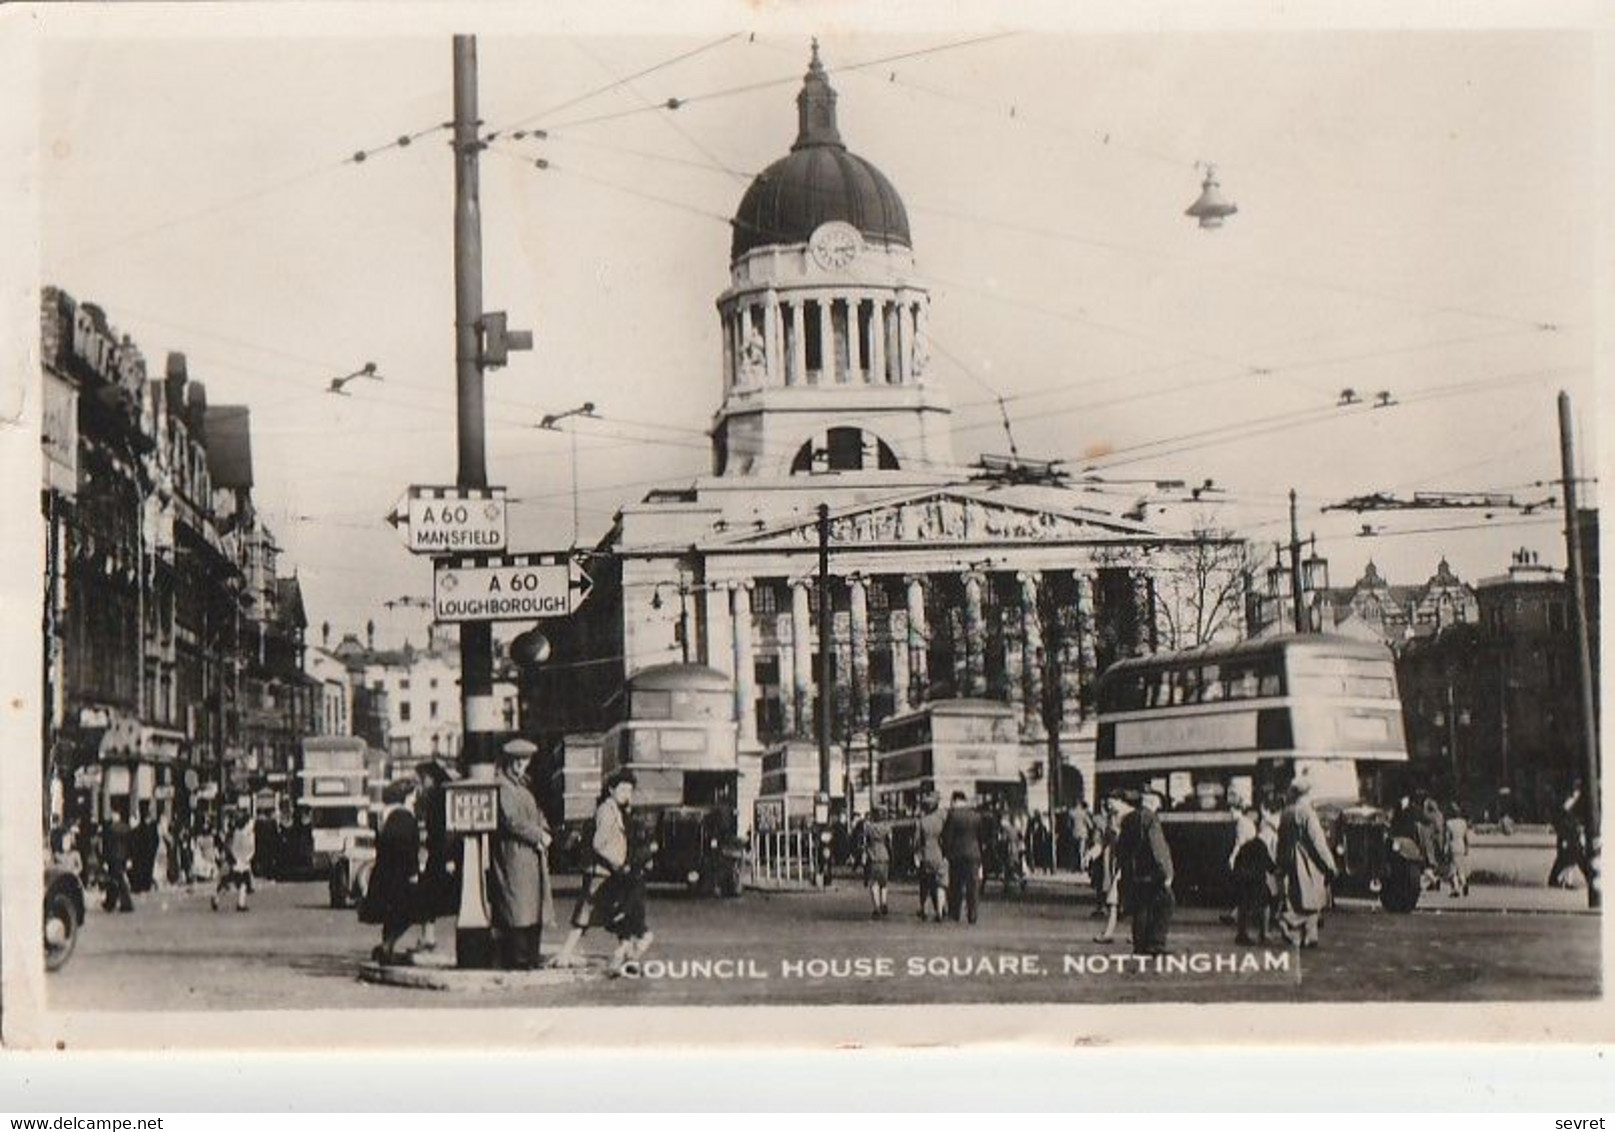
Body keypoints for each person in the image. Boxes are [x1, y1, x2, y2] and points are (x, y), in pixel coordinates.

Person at [551, 767, 650, 972]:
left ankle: (624, 953)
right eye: (623, 790)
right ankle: (566, 953)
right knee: (587, 914)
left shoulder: (617, 810)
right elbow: (599, 843)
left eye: (630, 791)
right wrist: (618, 863)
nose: (627, 794)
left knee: (621, 911)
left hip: (610, 873)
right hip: (601, 871)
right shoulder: (607, 811)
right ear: (611, 790)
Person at [489, 739, 552, 971]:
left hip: (529, 855)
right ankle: (520, 958)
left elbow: (537, 814)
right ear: (507, 761)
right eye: (516, 761)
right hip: (513, 854)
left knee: (530, 905)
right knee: (517, 906)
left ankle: (529, 957)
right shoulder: (503, 787)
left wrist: (544, 830)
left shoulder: (522, 786)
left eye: (524, 761)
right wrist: (538, 835)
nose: (520, 765)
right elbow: (511, 820)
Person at [361, 779, 421, 965]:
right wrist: (413, 872)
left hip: (384, 874)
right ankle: (387, 946)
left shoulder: (387, 817)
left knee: (392, 914)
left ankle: (386, 948)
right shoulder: (404, 817)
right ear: (405, 797)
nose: (415, 799)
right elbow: (406, 848)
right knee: (408, 912)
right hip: (399, 875)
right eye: (413, 796)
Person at [1277, 778, 1337, 948]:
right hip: (1308, 861)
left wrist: (1280, 862)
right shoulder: (1307, 813)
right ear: (1307, 794)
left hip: (1291, 859)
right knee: (1313, 898)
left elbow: (1281, 840)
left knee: (1301, 897)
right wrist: (1330, 864)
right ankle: (1288, 921)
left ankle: (1310, 936)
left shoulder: (1286, 812)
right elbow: (1317, 841)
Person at [1119, 788, 1174, 955]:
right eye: (1157, 804)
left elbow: (1121, 847)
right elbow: (1157, 847)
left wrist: (1125, 867)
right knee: (1166, 903)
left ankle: (1140, 945)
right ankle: (1156, 943)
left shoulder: (1128, 819)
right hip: (1151, 872)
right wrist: (1166, 872)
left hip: (1134, 872)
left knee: (1141, 908)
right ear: (1151, 803)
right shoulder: (1151, 819)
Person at [413, 760, 459, 953]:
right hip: (441, 855)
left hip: (442, 855)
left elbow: (446, 830)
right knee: (434, 897)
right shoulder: (440, 795)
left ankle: (429, 937)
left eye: (422, 779)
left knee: (429, 897)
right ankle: (428, 937)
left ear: (430, 778)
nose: (421, 783)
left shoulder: (437, 797)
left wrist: (449, 857)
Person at [1231, 805, 1278, 945]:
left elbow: (1238, 863)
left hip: (1243, 879)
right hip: (1257, 881)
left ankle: (1241, 934)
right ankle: (1264, 933)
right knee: (1265, 904)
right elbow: (1270, 865)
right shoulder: (1260, 845)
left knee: (1243, 906)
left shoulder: (1244, 847)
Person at [1085, 794, 1127, 943]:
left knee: (1117, 899)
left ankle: (1115, 933)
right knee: (1113, 900)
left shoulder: (1130, 817)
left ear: (1120, 801)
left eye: (1111, 803)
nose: (1109, 806)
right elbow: (1103, 842)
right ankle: (1110, 933)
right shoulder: (1111, 817)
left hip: (1127, 862)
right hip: (1114, 862)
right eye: (1107, 804)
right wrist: (1091, 854)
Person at [940, 791, 984, 925]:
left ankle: (955, 913)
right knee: (973, 886)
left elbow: (947, 837)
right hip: (974, 854)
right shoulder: (976, 816)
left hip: (957, 855)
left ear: (955, 800)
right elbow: (981, 837)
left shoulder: (953, 816)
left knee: (956, 885)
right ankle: (973, 914)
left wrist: (946, 853)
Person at [914, 792, 948, 922]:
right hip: (940, 853)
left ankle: (924, 909)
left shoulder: (922, 821)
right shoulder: (943, 819)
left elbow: (917, 841)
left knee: (925, 884)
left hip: (926, 854)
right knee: (940, 884)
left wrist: (917, 855)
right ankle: (940, 910)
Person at [1548, 782, 1590, 888]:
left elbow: (1562, 812)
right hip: (1568, 828)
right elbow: (1562, 812)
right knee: (1574, 854)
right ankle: (1558, 880)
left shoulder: (1573, 798)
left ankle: (1557, 880)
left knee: (1570, 855)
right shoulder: (1571, 799)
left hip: (1569, 828)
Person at [212, 812, 256, 912]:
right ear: (246, 823)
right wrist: (236, 859)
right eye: (250, 822)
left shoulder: (250, 834)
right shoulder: (238, 833)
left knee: (241, 883)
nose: (252, 824)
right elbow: (233, 848)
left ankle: (240, 903)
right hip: (236, 863)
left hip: (244, 863)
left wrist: (248, 858)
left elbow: (252, 849)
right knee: (229, 882)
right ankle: (217, 898)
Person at [99, 808, 135, 913]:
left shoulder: (109, 830)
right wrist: (129, 858)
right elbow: (130, 845)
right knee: (118, 880)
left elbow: (107, 847)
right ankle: (112, 902)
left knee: (115, 880)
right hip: (123, 857)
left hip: (113, 858)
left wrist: (104, 860)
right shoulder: (126, 828)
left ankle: (119, 903)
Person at [860, 807, 893, 918]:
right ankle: (884, 901)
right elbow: (890, 842)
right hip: (884, 856)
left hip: (873, 856)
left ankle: (876, 907)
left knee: (873, 883)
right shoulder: (887, 827)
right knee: (884, 882)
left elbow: (864, 842)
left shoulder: (868, 827)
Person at [1443, 801, 1471, 898]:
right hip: (1461, 846)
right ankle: (1464, 883)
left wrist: (1445, 850)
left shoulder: (1448, 823)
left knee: (1452, 870)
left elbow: (1447, 838)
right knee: (1461, 868)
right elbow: (1466, 837)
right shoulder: (1463, 822)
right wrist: (1467, 847)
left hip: (1453, 846)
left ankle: (1455, 889)